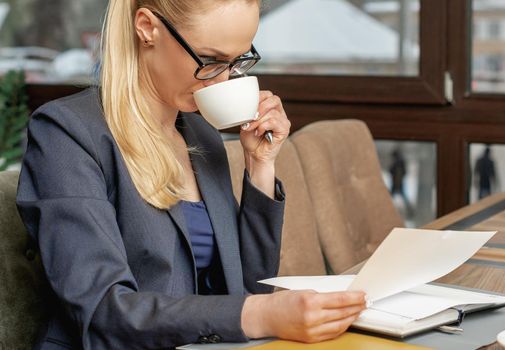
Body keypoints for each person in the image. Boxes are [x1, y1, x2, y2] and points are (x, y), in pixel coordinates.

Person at [16, 1, 367, 349]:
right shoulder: (67, 133)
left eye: (237, 61)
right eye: (211, 60)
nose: (225, 78)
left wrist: (260, 166)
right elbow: (104, 312)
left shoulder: (200, 134)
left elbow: (249, 291)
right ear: (147, 27)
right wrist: (260, 314)